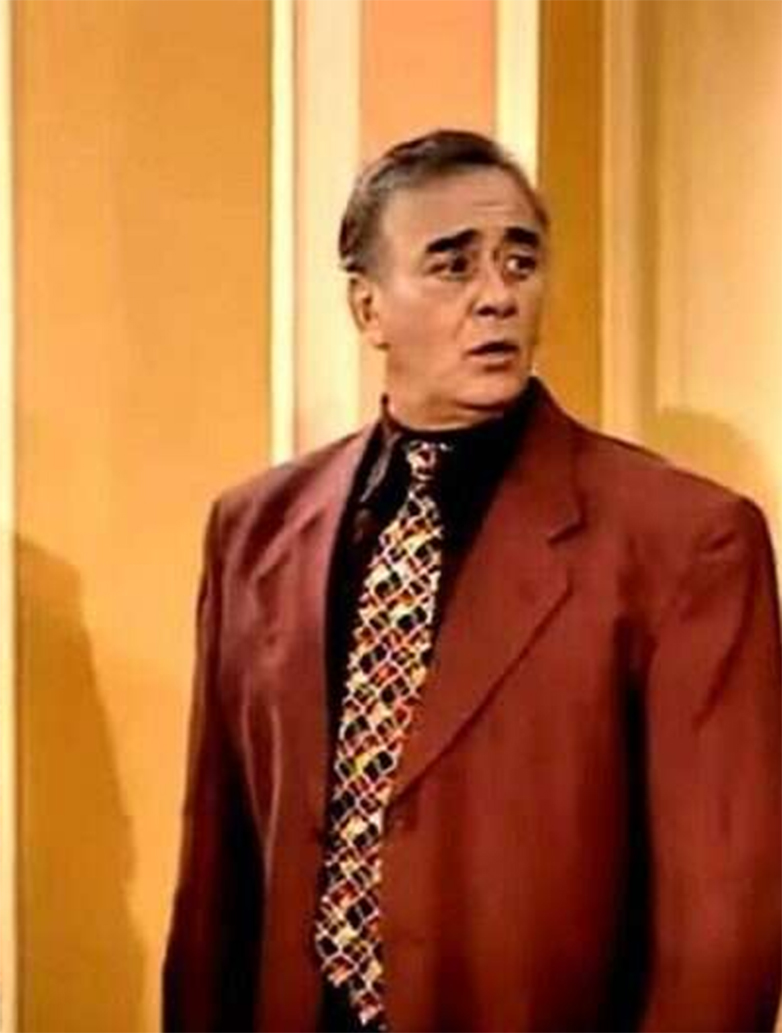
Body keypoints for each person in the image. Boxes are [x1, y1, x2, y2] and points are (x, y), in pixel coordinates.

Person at [162, 129, 781, 1033]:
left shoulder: (685, 541)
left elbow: (723, 922)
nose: (497, 295)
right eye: (452, 266)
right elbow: (216, 884)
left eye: (519, 261)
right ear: (368, 308)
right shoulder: (254, 531)